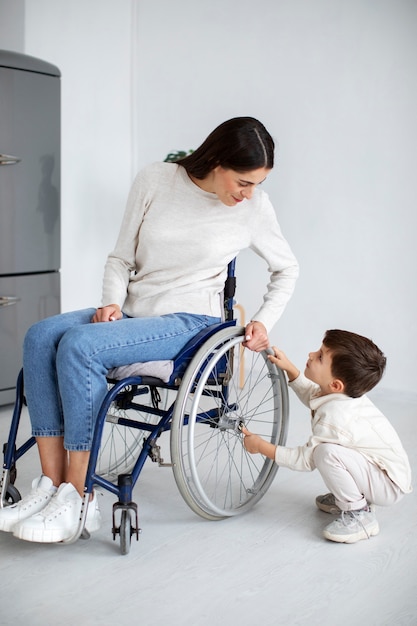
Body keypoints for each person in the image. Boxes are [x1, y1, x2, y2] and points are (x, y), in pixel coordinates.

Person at [0, 116, 299, 543]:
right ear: (216, 160)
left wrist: (262, 322)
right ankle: (53, 489)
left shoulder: (255, 208)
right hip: (138, 313)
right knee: (40, 335)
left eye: (255, 184)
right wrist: (111, 303)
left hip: (192, 323)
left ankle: (79, 493)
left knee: (80, 347)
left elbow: (287, 269)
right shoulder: (156, 180)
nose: (248, 193)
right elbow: (121, 257)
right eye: (243, 181)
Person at [242, 329, 412, 544]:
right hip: (379, 471)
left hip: (388, 484)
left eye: (320, 356)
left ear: (336, 385)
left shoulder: (337, 418)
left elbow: (306, 459)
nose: (312, 355)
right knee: (332, 452)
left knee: (326, 453)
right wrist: (290, 370)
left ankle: (358, 514)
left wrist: (261, 446)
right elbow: (313, 394)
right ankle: (349, 496)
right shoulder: (339, 394)